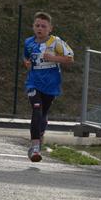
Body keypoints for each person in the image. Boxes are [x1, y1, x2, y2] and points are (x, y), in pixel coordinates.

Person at [23, 12, 74, 162]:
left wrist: (53, 58)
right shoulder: (28, 42)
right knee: (36, 109)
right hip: (33, 82)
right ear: (33, 27)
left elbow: (70, 59)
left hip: (51, 84)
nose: (40, 28)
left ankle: (40, 135)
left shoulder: (56, 42)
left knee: (43, 113)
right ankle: (35, 148)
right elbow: (26, 56)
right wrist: (27, 63)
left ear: (50, 28)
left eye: (43, 26)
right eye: (37, 25)